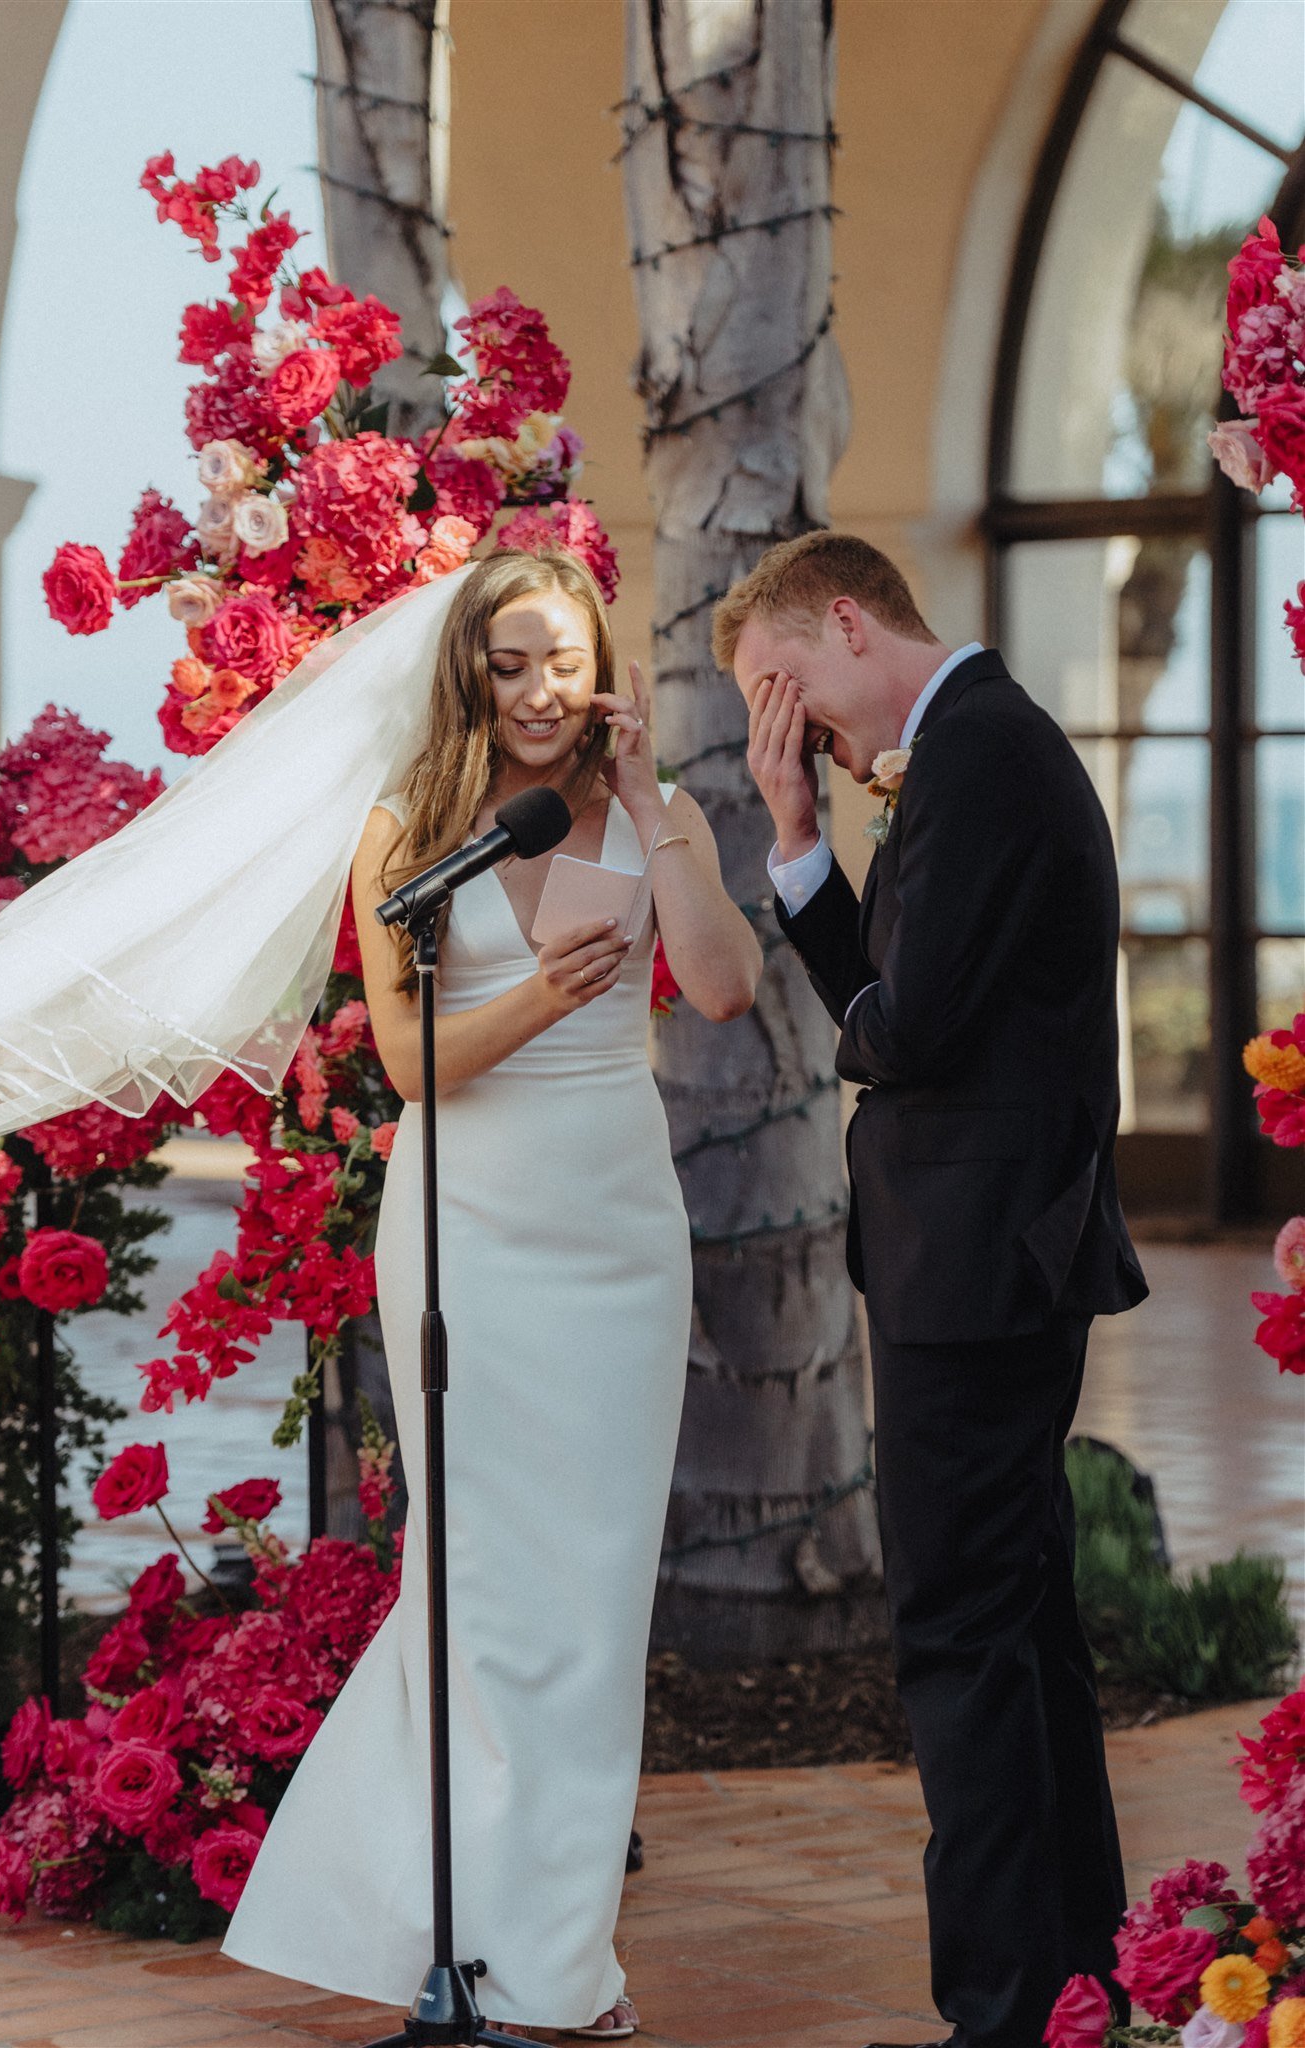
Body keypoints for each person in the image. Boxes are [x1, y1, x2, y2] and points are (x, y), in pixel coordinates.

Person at [221, 549, 762, 2030]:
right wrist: (537, 993)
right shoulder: (408, 827)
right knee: (475, 1585)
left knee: (591, 1598)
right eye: (511, 662)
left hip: (615, 1234)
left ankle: (555, 1955)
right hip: (468, 1223)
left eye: (563, 660)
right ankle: (459, 1934)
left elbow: (720, 986)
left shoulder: (656, 812)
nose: (541, 691)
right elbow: (405, 1071)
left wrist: (653, 814)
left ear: (603, 669)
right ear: (471, 671)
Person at [714, 531, 1147, 2048]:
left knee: (958, 1640)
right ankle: (1081, 1979)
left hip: (976, 1270)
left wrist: (798, 847)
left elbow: (903, 1029)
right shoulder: (971, 748)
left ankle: (1001, 2010)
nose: (807, 735)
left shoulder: (976, 759)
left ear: (847, 620)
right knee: (1018, 1630)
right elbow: (902, 1011)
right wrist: (794, 836)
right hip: (983, 1260)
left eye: (794, 696)